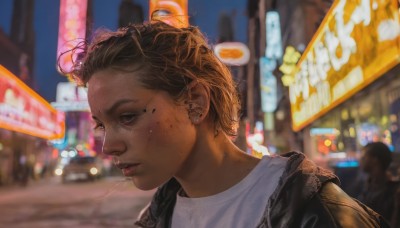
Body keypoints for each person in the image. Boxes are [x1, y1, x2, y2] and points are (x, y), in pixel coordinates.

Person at [60, 21, 389, 227]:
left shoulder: (313, 210)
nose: (109, 146)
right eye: (101, 124)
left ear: (195, 103)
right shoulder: (157, 216)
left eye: (127, 117)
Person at [358, 142, 400, 227]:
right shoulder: (368, 185)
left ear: (375, 159)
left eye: (364, 156)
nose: (360, 159)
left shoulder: (393, 191)